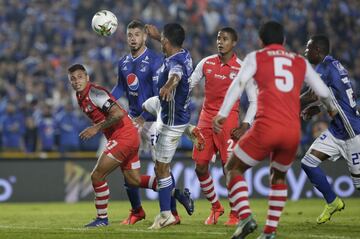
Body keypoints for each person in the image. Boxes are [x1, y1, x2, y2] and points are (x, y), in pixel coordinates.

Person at [213, 21, 337, 239]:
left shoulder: (256, 57)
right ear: (284, 41)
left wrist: (223, 113)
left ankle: (245, 218)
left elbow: (238, 84)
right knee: (278, 176)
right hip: (292, 131)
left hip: (266, 127)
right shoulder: (299, 61)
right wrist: (331, 109)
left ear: (261, 41)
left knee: (233, 168)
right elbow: (323, 92)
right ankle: (269, 232)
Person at [111, 20, 196, 225]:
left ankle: (172, 212)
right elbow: (120, 89)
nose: (133, 38)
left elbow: (168, 84)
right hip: (133, 121)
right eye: (130, 34)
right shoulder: (123, 62)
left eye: (137, 35)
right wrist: (106, 102)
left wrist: (150, 113)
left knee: (161, 166)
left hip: (151, 120)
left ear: (145, 37)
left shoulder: (157, 60)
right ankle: (137, 210)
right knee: (127, 167)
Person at [188, 27, 257, 225]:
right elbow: (190, 84)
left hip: (229, 122)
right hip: (205, 120)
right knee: (200, 168)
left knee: (229, 168)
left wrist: (246, 124)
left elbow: (254, 101)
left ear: (234, 43)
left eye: (225, 39)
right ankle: (216, 207)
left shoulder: (243, 68)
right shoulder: (206, 63)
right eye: (218, 38)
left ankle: (235, 213)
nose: (220, 42)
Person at [68, 63, 145, 227]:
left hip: (123, 135)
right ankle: (175, 192)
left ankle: (102, 218)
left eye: (80, 77)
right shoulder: (79, 96)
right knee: (135, 180)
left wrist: (96, 128)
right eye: (73, 79)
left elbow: (117, 113)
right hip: (127, 135)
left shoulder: (94, 92)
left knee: (96, 176)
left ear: (87, 78)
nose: (76, 81)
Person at [300, 35, 360, 224]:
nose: (305, 51)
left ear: (318, 50)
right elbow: (334, 96)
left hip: (353, 134)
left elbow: (310, 95)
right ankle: (333, 202)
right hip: (337, 131)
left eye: (308, 48)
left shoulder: (324, 68)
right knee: (308, 162)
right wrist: (318, 108)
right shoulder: (334, 65)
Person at [144, 23, 194, 229]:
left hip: (172, 122)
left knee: (162, 168)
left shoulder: (177, 63)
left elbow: (176, 74)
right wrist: (158, 37)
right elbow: (173, 56)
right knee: (143, 108)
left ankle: (167, 215)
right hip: (168, 112)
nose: (161, 42)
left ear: (167, 41)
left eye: (162, 39)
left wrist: (168, 85)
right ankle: (171, 206)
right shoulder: (184, 53)